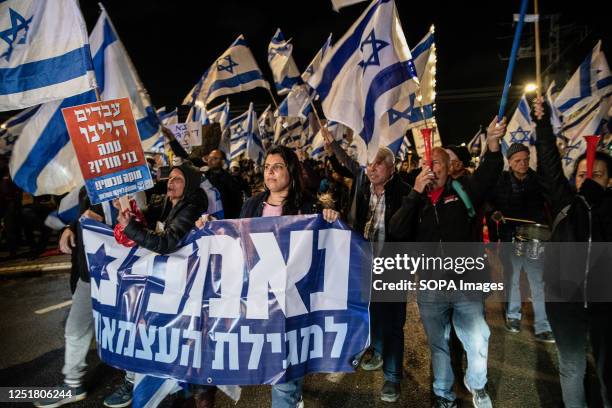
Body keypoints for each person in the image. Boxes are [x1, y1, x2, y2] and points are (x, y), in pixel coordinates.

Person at [389, 116, 505, 408]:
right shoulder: (416, 199)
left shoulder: (464, 189)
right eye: (427, 164)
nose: (432, 168)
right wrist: (415, 193)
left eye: (437, 163)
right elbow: (396, 229)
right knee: (439, 345)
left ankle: (477, 385)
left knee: (478, 338)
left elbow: (490, 173)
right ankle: (443, 393)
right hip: (430, 288)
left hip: (466, 285)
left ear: (448, 167)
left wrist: (492, 145)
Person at [234, 145, 339, 408]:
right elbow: (235, 242)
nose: (270, 172)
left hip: (294, 302)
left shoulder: (308, 206)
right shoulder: (251, 205)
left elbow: (327, 250)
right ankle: (293, 393)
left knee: (284, 371)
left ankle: (289, 396)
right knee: (270, 361)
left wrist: (330, 220)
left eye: (277, 166)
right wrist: (208, 225)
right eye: (267, 167)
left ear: (290, 171)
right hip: (261, 301)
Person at [103, 162, 209, 407]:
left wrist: (131, 228)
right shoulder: (165, 203)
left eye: (178, 179)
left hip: (182, 289)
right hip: (161, 285)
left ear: (190, 184)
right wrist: (127, 211)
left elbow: (167, 242)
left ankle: (180, 390)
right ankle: (144, 383)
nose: (171, 182)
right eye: (169, 178)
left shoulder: (192, 207)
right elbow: (145, 223)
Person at [533, 97, 612, 408]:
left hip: (605, 302)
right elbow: (550, 163)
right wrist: (542, 124)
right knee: (572, 365)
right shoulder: (565, 202)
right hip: (565, 301)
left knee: (608, 368)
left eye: (597, 174)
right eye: (582, 174)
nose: (587, 179)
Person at [323, 128, 411, 403]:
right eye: (369, 164)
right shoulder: (361, 190)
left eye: (378, 164)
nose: (371, 169)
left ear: (391, 167)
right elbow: (346, 166)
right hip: (365, 267)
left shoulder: (405, 192)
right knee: (371, 315)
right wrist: (332, 145)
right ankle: (376, 349)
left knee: (394, 323)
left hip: (394, 268)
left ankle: (392, 378)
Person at [34, 188, 109, 408]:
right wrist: (69, 227)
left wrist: (106, 220)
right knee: (75, 329)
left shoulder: (126, 181)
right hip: (87, 273)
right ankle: (73, 384)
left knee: (123, 333)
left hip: (117, 275)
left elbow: (141, 218)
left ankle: (132, 381)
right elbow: (81, 216)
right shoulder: (85, 187)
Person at [488, 142, 554, 342]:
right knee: (513, 277)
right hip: (512, 237)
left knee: (537, 279)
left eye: (526, 159)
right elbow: (490, 205)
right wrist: (494, 215)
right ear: (510, 162)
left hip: (534, 236)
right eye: (518, 160)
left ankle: (543, 325)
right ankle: (513, 316)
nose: (523, 163)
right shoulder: (500, 182)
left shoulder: (538, 181)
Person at [204, 149, 243, 218]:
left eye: (215, 158)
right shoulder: (203, 177)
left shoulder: (230, 180)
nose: (210, 160)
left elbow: (237, 202)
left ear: (222, 161)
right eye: (209, 158)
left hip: (224, 220)